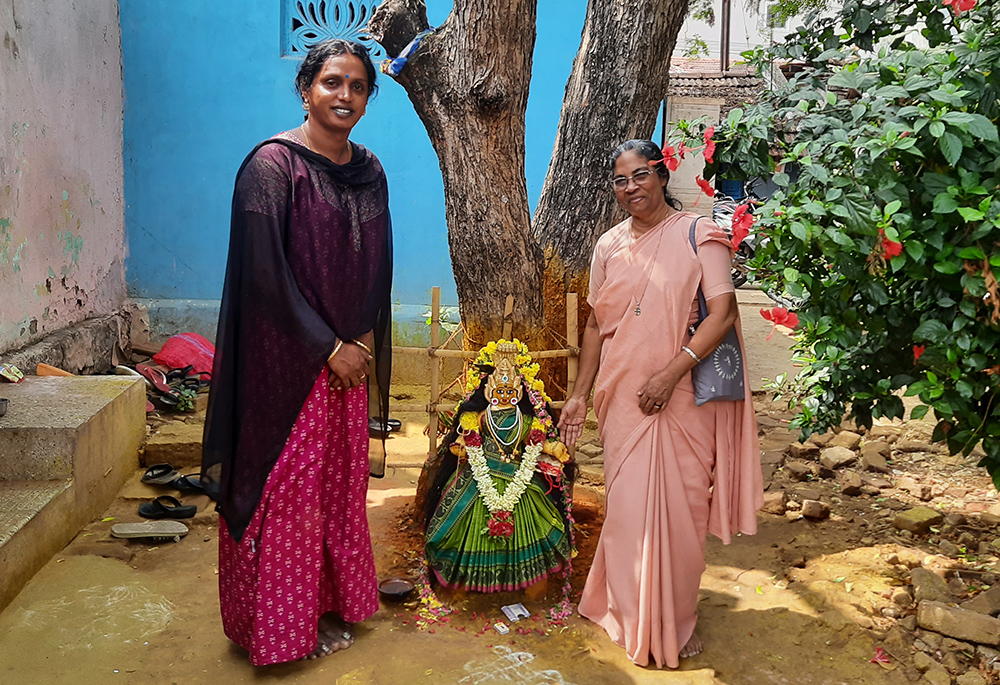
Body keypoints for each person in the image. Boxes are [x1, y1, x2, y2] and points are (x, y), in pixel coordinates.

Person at [201, 39, 393, 665]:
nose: (345, 95)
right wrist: (326, 346)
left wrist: (360, 339)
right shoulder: (272, 166)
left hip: (346, 361)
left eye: (358, 86)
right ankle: (280, 631)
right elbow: (263, 274)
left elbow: (374, 265)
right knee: (286, 495)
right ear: (305, 89)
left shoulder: (369, 169)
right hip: (284, 365)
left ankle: (325, 607)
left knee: (336, 490)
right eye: (332, 82)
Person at [557, 139, 762, 669]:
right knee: (627, 513)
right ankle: (625, 611)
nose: (631, 188)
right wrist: (579, 395)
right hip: (624, 396)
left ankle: (674, 619)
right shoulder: (608, 246)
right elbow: (597, 325)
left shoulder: (700, 234)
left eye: (640, 175)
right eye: (620, 180)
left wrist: (670, 374)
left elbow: (722, 313)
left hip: (683, 397)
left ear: (661, 174)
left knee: (681, 512)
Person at [423, 340, 574, 592]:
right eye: (499, 390)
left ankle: (529, 584)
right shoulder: (479, 417)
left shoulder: (526, 419)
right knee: (461, 517)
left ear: (518, 392)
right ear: (488, 391)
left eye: (509, 391)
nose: (504, 395)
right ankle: (466, 583)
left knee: (533, 519)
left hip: (518, 474)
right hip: (479, 474)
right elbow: (466, 437)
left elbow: (536, 440)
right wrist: (464, 443)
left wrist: (551, 447)